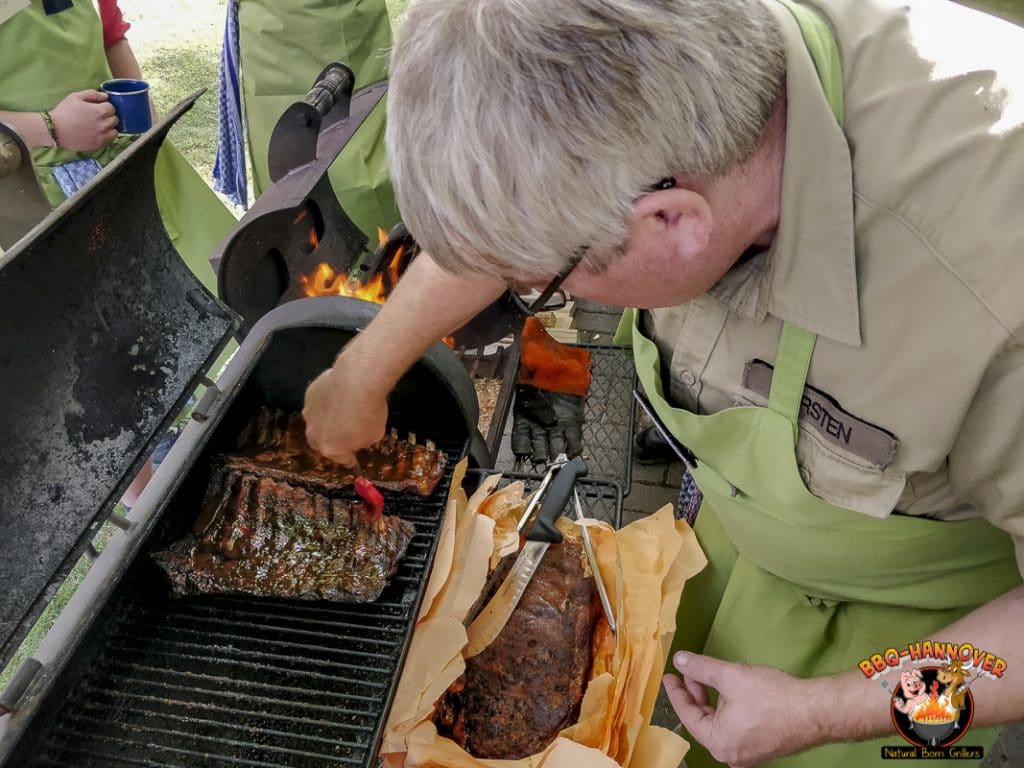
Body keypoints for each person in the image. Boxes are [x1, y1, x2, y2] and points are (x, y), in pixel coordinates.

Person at [301, 0, 1024, 765]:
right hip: (744, 528)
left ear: (675, 223)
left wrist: (827, 711)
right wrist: (364, 369)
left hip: (923, 634)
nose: (519, 291)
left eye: (537, 285)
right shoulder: (664, 65)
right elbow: (517, 215)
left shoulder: (992, 284)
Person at [0, 0, 235, 291]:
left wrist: (149, 121)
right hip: (38, 191)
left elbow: (111, 35)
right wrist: (53, 126)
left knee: (230, 281)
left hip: (137, 157)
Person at [214, 0, 400, 237]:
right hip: (270, 39)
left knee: (363, 149)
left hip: (342, 26)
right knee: (284, 171)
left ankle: (389, 250)